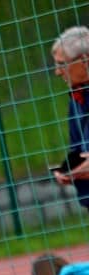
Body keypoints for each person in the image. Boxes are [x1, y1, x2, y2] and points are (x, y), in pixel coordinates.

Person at [50, 26, 89, 210]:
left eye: (62, 64)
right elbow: (77, 149)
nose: (57, 72)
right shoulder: (76, 98)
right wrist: (71, 170)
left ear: (84, 60)